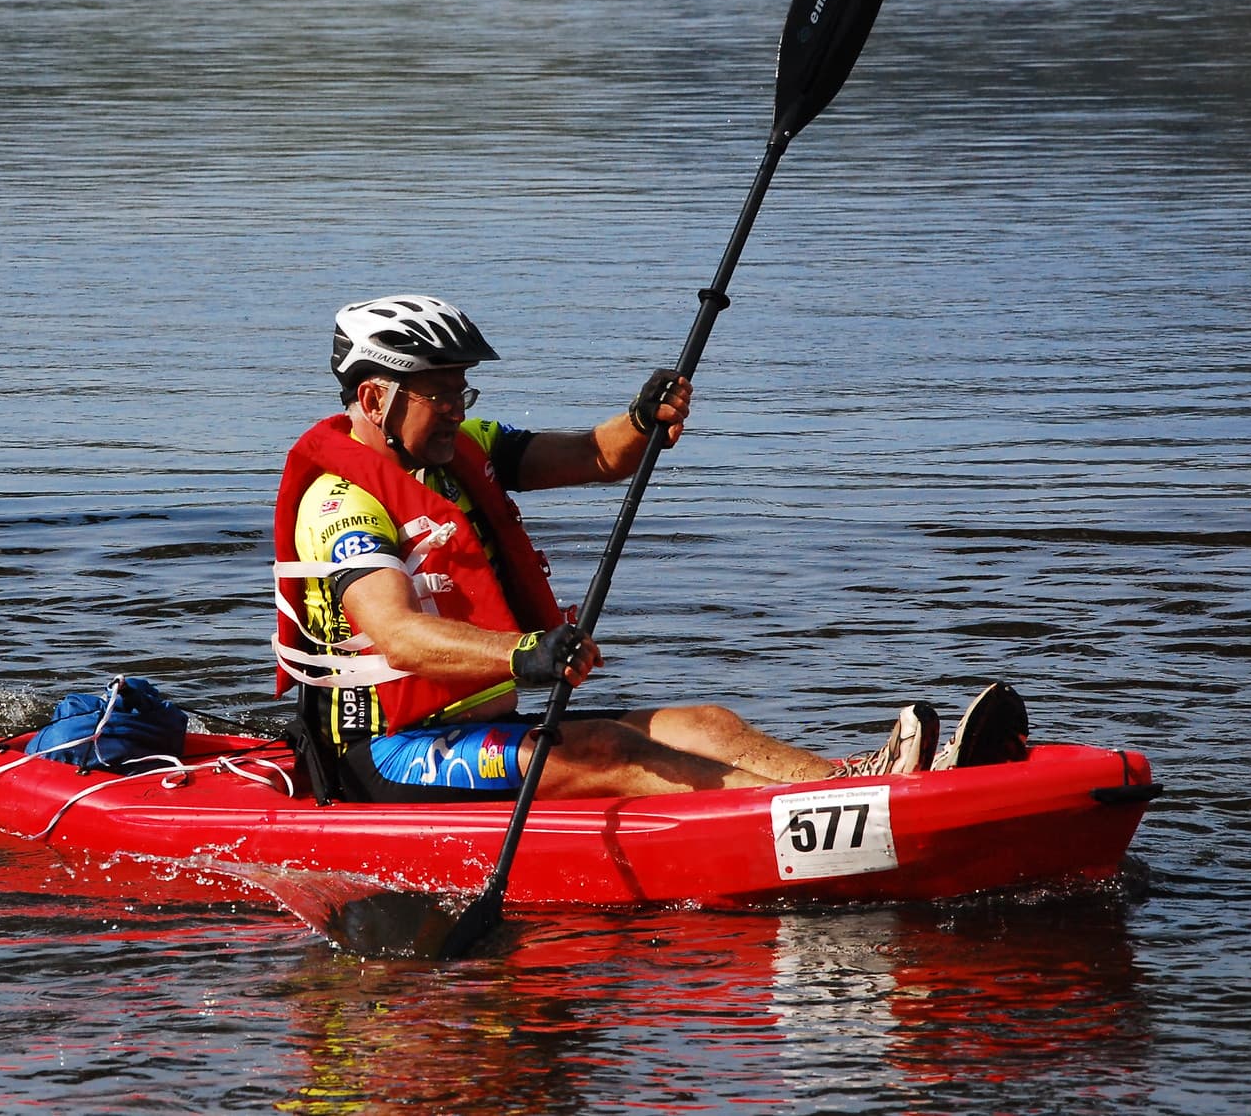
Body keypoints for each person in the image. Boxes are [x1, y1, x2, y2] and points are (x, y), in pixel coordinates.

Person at [272, 293, 1026, 803]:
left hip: (477, 729)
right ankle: (828, 812)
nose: (457, 409)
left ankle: (855, 781)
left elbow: (601, 455)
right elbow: (399, 634)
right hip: (387, 757)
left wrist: (642, 414)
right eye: (443, 392)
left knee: (706, 721)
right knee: (606, 744)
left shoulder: (464, 446)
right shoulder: (341, 501)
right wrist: (526, 652)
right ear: (377, 397)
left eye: (461, 390)